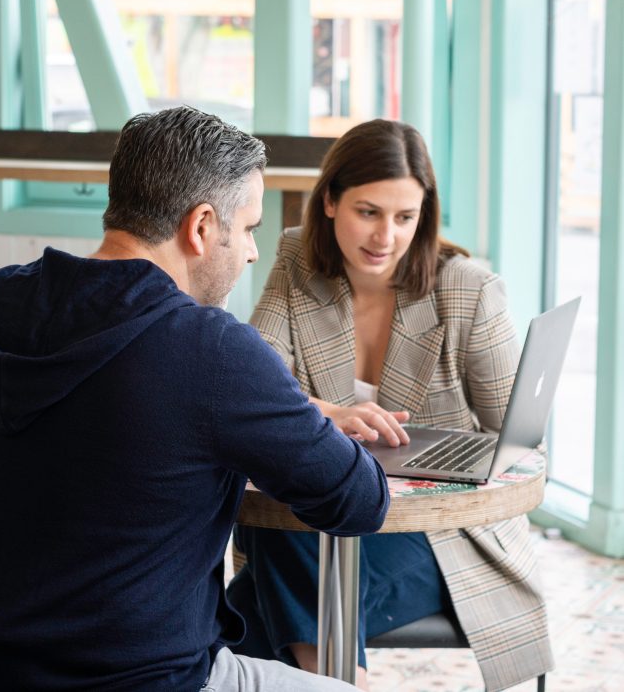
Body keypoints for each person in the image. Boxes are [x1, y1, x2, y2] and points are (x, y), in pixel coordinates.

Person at [0, 106, 390, 692]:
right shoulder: (212, 349)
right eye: (248, 228)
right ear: (202, 226)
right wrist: (299, 411)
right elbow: (359, 501)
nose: (253, 252)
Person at [227, 119, 554, 692]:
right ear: (329, 201)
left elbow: (521, 443)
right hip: (324, 517)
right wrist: (325, 411)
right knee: (284, 545)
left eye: (406, 217)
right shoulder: (297, 259)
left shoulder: (468, 289)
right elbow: (256, 386)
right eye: (369, 212)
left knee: (233, 612)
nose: (386, 237)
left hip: (440, 536)